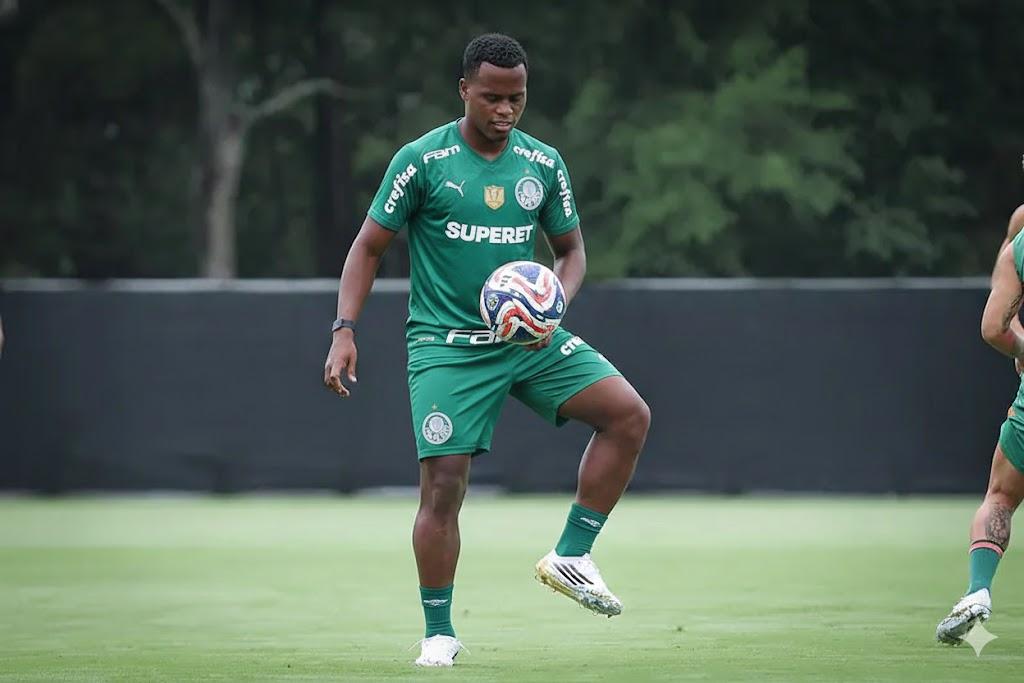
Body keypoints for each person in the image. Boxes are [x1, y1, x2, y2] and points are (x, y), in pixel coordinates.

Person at [323, 33, 651, 667]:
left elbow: (572, 252)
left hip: (527, 338)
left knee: (628, 414)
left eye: (516, 99)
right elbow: (368, 247)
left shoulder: (542, 163)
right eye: (492, 97)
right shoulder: (423, 161)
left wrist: (553, 303)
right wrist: (344, 329)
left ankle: (572, 554)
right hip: (447, 347)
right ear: (464, 91)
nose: (505, 110)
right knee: (444, 486)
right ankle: (439, 633)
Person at [936, 198, 1024, 644]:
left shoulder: (1020, 241)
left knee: (1001, 496)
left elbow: (993, 327)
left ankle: (977, 592)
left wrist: (1022, 349)